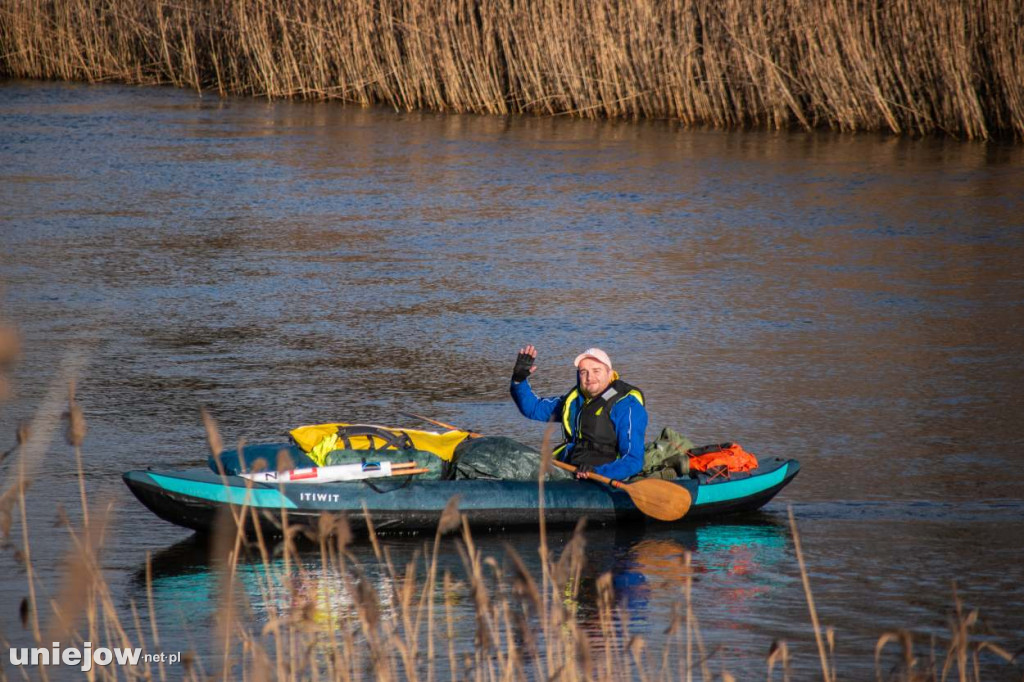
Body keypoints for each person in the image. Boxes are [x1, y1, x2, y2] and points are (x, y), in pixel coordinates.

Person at [510, 345, 647, 481]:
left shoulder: (627, 406)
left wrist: (598, 473)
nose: (589, 377)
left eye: (596, 371)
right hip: (570, 467)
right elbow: (533, 409)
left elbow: (633, 459)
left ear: (610, 374)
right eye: (583, 372)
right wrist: (519, 380)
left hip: (602, 475)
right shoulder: (574, 401)